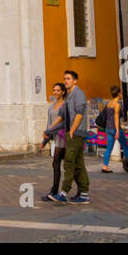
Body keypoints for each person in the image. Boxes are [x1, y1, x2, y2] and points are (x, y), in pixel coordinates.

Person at [42, 69, 89, 203]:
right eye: (64, 78)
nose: (66, 81)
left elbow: (80, 113)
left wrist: (72, 131)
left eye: (68, 78)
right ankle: (84, 194)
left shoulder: (78, 94)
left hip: (76, 133)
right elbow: (62, 115)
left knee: (69, 163)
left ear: (75, 81)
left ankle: (63, 193)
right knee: (79, 164)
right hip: (72, 133)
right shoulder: (69, 96)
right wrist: (49, 130)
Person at [39, 82, 67, 201]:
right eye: (54, 90)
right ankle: (81, 190)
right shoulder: (52, 106)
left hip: (64, 137)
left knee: (56, 163)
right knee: (68, 165)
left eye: (58, 90)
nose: (55, 92)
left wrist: (49, 130)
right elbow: (49, 124)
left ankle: (54, 191)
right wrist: (45, 141)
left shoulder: (65, 105)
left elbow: (63, 123)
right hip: (56, 138)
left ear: (63, 92)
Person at [100, 86, 128, 173]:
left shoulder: (109, 103)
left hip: (108, 128)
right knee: (125, 147)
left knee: (109, 148)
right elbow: (116, 118)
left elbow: (108, 117)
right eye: (121, 93)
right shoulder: (117, 105)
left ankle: (105, 166)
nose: (122, 94)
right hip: (115, 129)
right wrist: (118, 131)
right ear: (118, 93)